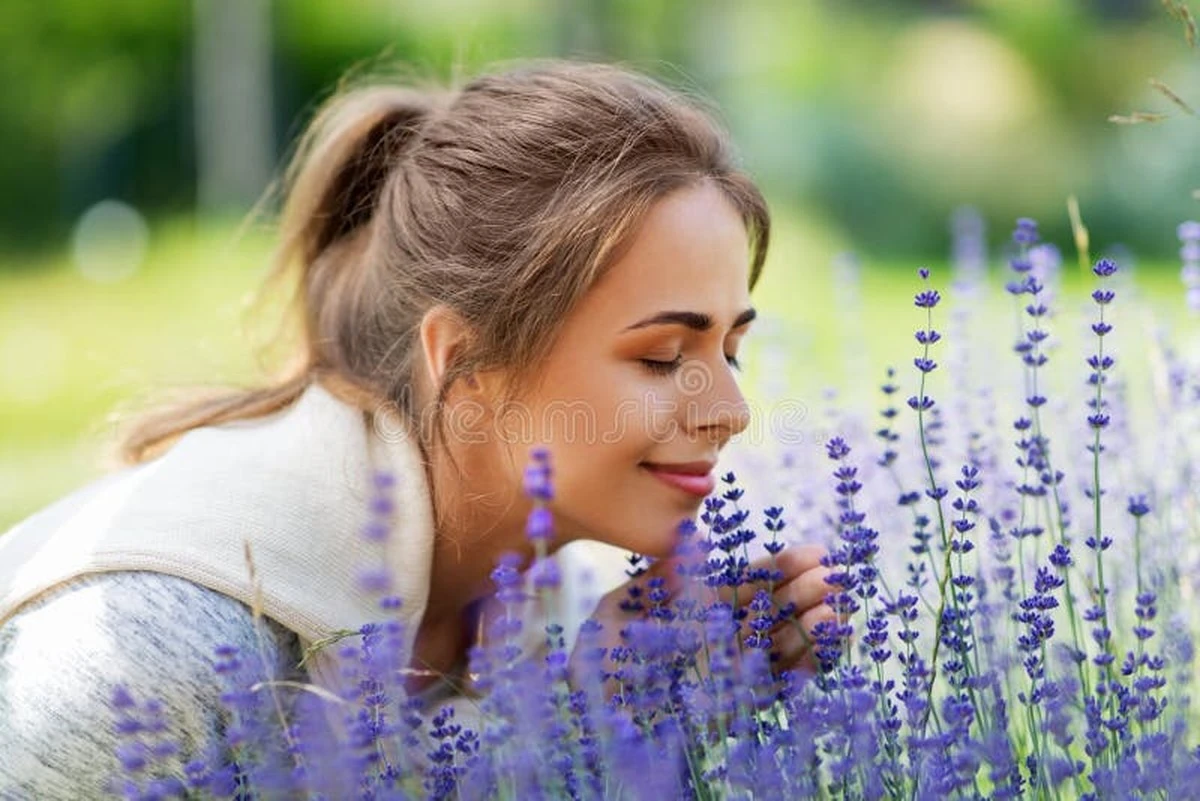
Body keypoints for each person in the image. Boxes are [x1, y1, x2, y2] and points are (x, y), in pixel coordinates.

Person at [0, 60, 836, 795]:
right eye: (662, 356)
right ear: (464, 359)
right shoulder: (161, 647)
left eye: (731, 348)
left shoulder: (501, 605)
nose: (731, 409)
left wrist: (590, 712)